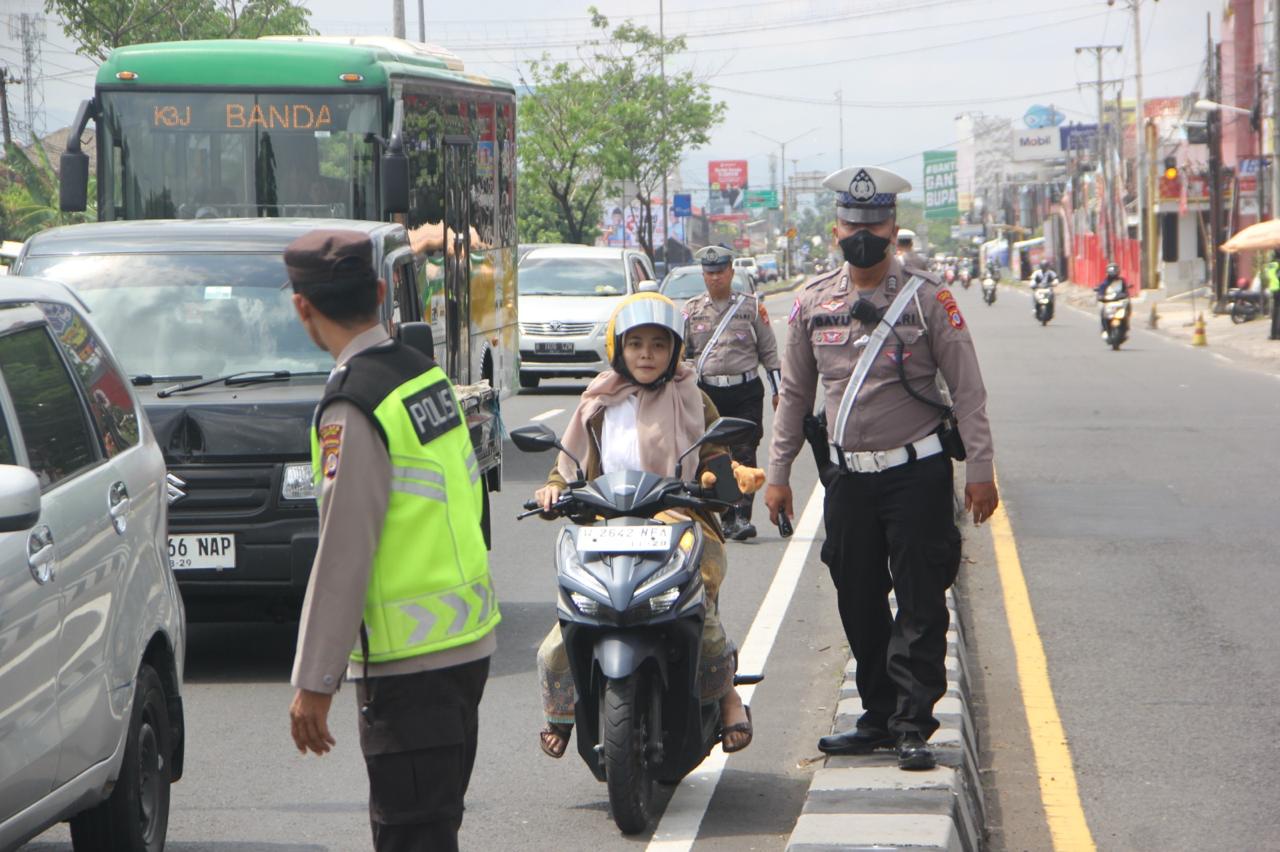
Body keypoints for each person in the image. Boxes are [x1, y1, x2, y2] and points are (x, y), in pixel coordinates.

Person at [764, 166, 998, 771]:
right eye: (852, 224)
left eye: (875, 224)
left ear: (894, 228)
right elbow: (794, 394)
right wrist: (778, 472)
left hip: (915, 474)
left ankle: (912, 723)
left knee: (921, 599)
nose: (862, 233)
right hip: (847, 480)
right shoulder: (812, 301)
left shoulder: (927, 299)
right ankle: (876, 715)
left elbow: (967, 389)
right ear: (835, 229)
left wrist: (980, 468)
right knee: (858, 597)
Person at [285, 229, 500, 851]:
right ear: (381, 293)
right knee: (435, 829)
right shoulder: (423, 376)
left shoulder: (353, 404)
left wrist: (314, 681)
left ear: (303, 308)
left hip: (409, 667)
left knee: (412, 837)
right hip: (465, 643)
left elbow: (344, 551)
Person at [532, 292, 762, 759]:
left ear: (675, 350)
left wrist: (723, 478)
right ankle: (560, 714)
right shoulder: (597, 401)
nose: (646, 354)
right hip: (602, 524)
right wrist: (553, 490)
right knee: (560, 633)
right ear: (618, 348)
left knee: (705, 618)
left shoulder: (694, 398)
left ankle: (728, 696)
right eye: (635, 344)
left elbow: (714, 454)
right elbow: (571, 465)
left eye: (658, 345)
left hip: (677, 520)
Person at [682, 245, 782, 541]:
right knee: (717, 454)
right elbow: (682, 354)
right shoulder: (691, 310)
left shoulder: (751, 307)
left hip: (745, 391)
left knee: (745, 450)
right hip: (708, 392)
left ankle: (742, 515)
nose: (715, 278)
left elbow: (770, 352)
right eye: (710, 273)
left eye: (720, 272)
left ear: (731, 272)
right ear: (703, 275)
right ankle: (728, 514)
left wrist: (778, 392)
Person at [1096, 262, 1129, 335]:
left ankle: (1126, 324)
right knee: (1102, 312)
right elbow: (1101, 291)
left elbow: (1125, 291)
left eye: (1114, 271)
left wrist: (1124, 294)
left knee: (1126, 308)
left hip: (1119, 301)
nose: (1113, 274)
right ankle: (1104, 327)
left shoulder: (1121, 281)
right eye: (1111, 272)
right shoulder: (1105, 283)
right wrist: (1101, 296)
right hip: (1108, 302)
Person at [1265, 250, 1280, 340]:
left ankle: (1273, 333)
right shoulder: (1278, 265)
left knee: (1275, 312)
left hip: (1273, 289)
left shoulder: (1270, 265)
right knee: (1279, 312)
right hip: (1279, 289)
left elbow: (1268, 276)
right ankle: (1278, 333)